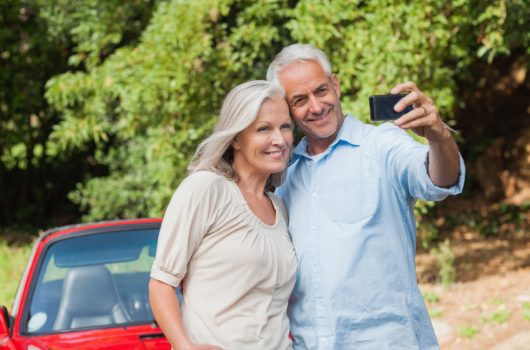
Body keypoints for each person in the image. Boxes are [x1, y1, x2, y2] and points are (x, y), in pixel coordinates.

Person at [266, 44, 465, 349]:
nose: (317, 107)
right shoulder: (282, 176)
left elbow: (439, 180)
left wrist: (439, 136)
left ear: (337, 84)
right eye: (300, 100)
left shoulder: (382, 145)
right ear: (286, 109)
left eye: (321, 90)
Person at [149, 80, 296, 350]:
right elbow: (161, 283)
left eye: (285, 126)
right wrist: (184, 346)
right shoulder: (206, 188)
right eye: (264, 128)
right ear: (236, 138)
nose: (280, 139)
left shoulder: (279, 206)